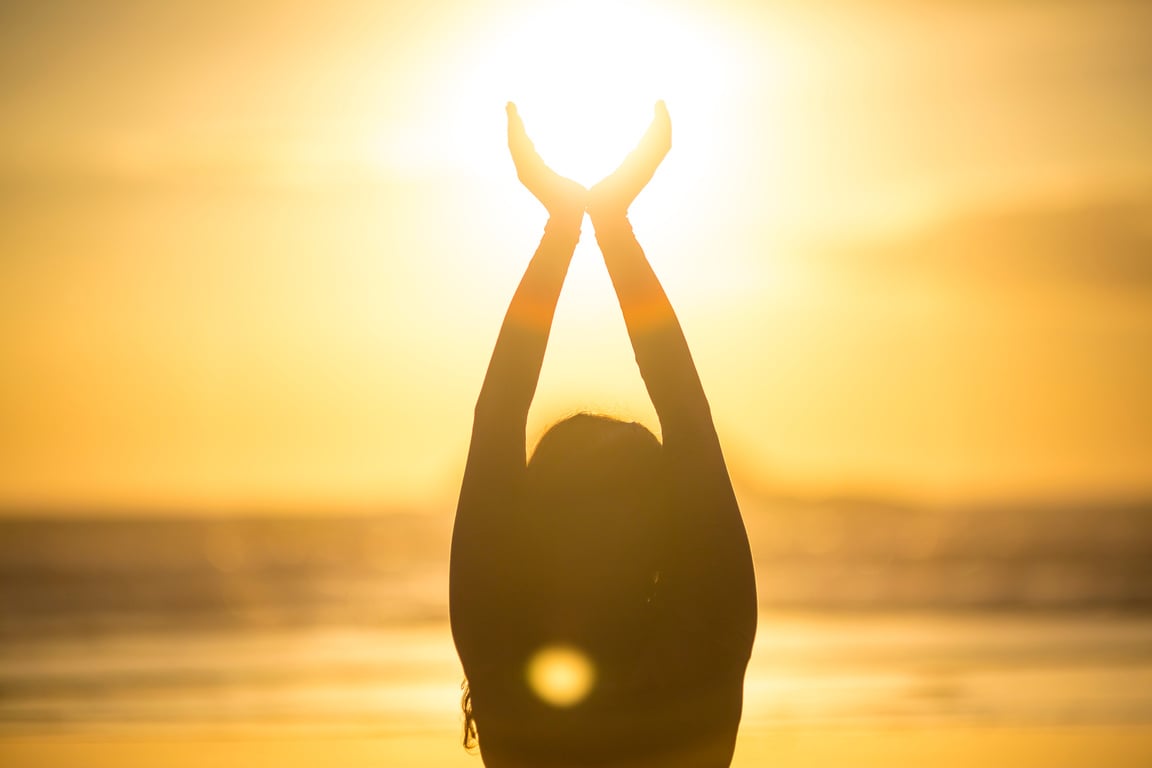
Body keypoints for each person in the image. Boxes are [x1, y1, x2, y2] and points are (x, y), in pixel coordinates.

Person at [449, 101, 757, 768]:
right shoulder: (698, 661)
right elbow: (690, 419)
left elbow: (497, 419)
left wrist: (562, 229)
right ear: (661, 524)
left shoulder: (507, 670)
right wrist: (612, 227)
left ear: (533, 528)